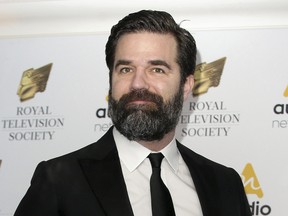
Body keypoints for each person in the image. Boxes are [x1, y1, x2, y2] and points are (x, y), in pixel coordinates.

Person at [14, 10, 251, 216]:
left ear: (186, 85)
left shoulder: (224, 184)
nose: (138, 83)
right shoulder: (59, 179)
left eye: (157, 69)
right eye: (126, 69)